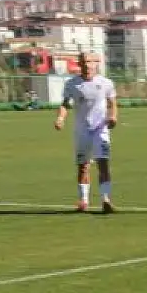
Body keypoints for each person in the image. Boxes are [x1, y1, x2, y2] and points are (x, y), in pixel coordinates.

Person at [54, 52, 118, 213]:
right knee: (83, 166)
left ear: (97, 63)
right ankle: (83, 200)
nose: (87, 65)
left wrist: (113, 117)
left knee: (103, 163)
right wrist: (61, 118)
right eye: (84, 62)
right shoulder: (72, 84)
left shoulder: (106, 83)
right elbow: (65, 104)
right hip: (82, 130)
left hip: (100, 129)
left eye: (90, 61)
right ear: (80, 64)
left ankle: (106, 199)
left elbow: (112, 103)